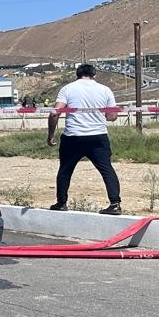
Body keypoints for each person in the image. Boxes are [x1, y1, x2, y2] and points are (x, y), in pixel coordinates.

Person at [48, 63, 122, 214]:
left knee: (65, 170)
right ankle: (115, 204)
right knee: (107, 169)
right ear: (95, 75)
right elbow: (113, 116)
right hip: (98, 136)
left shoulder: (68, 89)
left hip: (73, 137)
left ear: (77, 74)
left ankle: (61, 203)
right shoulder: (105, 90)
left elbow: (55, 112)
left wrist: (50, 135)